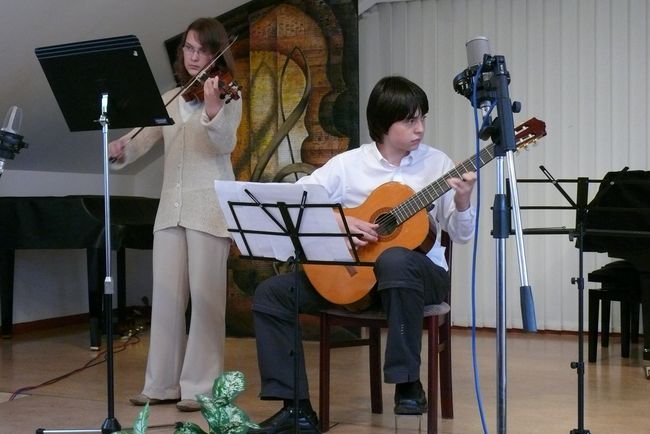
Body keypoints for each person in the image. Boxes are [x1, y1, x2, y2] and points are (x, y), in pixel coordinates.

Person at [247, 75, 477, 433]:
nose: (420, 128)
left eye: (422, 118)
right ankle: (296, 410)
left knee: (395, 259)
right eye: (409, 121)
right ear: (383, 124)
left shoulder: (439, 165)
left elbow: (462, 235)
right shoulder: (348, 165)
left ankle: (407, 382)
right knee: (271, 294)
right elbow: (298, 201)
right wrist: (341, 221)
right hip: (356, 279)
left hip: (420, 280)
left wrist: (462, 200)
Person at [108, 17, 242, 412]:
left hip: (208, 210)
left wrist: (213, 110)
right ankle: (160, 384)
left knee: (206, 302)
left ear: (216, 53)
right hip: (170, 210)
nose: (194, 57)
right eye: (189, 48)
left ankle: (201, 388)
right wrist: (119, 149)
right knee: (166, 299)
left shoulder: (229, 96)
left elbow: (224, 144)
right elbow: (141, 140)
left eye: (203, 50)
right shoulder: (169, 98)